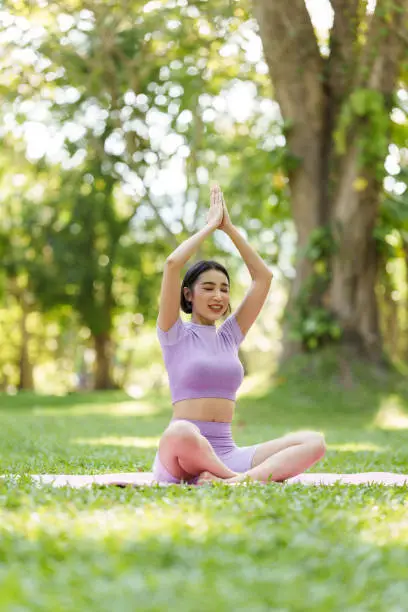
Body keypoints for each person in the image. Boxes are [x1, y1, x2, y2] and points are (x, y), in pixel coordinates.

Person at [152, 183, 326, 485]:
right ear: (188, 295)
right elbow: (172, 264)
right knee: (180, 431)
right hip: (181, 454)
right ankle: (240, 479)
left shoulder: (229, 336)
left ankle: (231, 480)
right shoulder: (174, 333)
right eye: (208, 288)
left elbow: (264, 278)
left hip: (226, 453)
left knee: (314, 442)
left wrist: (229, 229)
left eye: (224, 289)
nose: (218, 295)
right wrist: (209, 228)